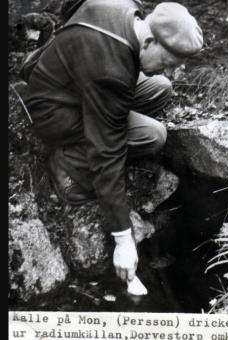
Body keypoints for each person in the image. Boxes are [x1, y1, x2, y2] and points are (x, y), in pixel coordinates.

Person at [23, 0, 203, 285]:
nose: (166, 70)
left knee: (160, 89)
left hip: (74, 79)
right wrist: (123, 238)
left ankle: (111, 113)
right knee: (152, 135)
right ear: (149, 41)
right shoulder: (112, 73)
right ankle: (67, 167)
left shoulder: (127, 7)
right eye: (166, 63)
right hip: (53, 110)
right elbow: (107, 152)